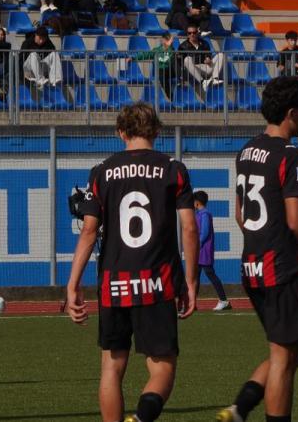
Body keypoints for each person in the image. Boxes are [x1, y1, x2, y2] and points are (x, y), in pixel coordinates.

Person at [215, 76, 298, 422]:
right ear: (291, 112)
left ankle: (240, 408)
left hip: (253, 265)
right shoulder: (293, 155)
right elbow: (295, 221)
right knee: (286, 359)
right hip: (282, 267)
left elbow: (240, 214)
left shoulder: (247, 150)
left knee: (289, 351)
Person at [65, 102, 199, 422]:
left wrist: (72, 285)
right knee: (162, 366)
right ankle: (141, 419)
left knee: (112, 366)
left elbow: (88, 230)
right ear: (156, 130)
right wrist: (191, 282)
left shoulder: (101, 172)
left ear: (121, 132)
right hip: (157, 280)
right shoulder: (172, 169)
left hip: (113, 282)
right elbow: (190, 228)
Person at [186, 190, 230, 313]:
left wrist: (196, 245)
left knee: (210, 274)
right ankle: (192, 303)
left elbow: (204, 233)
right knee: (196, 277)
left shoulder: (205, 214)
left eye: (194, 202)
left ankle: (224, 300)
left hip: (203, 250)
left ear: (197, 203)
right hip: (200, 251)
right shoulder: (199, 214)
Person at [131, 33, 180, 100]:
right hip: (162, 71)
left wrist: (169, 48)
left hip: (170, 70)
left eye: (171, 40)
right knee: (161, 74)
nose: (171, 42)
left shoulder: (172, 50)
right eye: (168, 40)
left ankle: (180, 78)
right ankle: (171, 97)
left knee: (174, 61)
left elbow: (171, 59)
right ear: (163, 40)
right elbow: (146, 55)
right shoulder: (157, 50)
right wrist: (133, 58)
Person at [178, 25, 225, 91]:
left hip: (205, 67)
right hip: (192, 70)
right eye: (189, 33)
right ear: (187, 34)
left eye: (194, 32)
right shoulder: (182, 46)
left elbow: (208, 55)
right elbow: (180, 62)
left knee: (221, 54)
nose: (192, 35)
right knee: (187, 59)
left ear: (197, 33)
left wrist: (208, 59)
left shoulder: (204, 43)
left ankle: (215, 78)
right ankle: (203, 82)